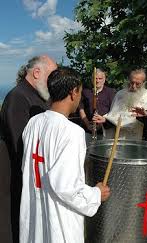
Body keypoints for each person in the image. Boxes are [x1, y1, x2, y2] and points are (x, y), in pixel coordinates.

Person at [20, 67, 110, 243]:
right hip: (59, 220)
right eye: (79, 91)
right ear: (73, 92)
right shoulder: (71, 132)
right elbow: (66, 187)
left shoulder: (33, 123)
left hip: (35, 212)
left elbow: (27, 168)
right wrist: (96, 194)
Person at [0, 55, 57, 243]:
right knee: (11, 222)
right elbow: (21, 143)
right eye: (51, 75)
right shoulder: (18, 96)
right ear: (37, 72)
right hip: (13, 174)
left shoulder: (37, 96)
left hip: (28, 173)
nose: (53, 81)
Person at [93, 69, 147, 144]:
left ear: (144, 83)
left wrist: (146, 115)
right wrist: (105, 120)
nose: (133, 86)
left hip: (140, 144)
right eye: (131, 83)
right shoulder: (120, 95)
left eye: (137, 84)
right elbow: (114, 117)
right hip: (119, 142)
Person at [79, 68, 116, 134]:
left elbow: (114, 111)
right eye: (95, 78)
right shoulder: (85, 92)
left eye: (100, 78)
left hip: (106, 129)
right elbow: (81, 109)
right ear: (92, 79)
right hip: (88, 129)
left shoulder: (111, 92)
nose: (97, 81)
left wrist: (103, 121)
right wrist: (87, 124)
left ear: (104, 80)